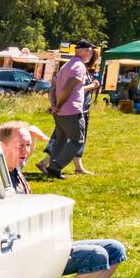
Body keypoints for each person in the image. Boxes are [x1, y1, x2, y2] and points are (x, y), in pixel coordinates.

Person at [0, 120, 126, 278]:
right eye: (20, 146)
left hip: (43, 244)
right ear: (1, 147)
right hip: (28, 255)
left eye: (29, 145)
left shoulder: (15, 170)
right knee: (95, 256)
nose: (27, 151)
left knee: (115, 249)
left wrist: (29, 131)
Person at [38, 40, 96, 179]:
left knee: (61, 140)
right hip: (72, 110)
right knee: (77, 141)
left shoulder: (66, 65)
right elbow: (68, 87)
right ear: (86, 50)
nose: (91, 54)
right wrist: (57, 105)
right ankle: (57, 166)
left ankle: (53, 170)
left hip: (60, 112)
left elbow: (53, 87)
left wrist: (54, 106)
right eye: (91, 51)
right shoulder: (79, 66)